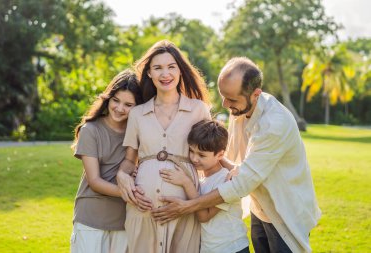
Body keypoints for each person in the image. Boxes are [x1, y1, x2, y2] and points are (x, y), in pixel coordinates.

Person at [151, 57, 322, 253]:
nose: (225, 104)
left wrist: (187, 206)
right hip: (261, 207)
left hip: (286, 210)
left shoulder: (274, 124)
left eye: (231, 99)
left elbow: (242, 184)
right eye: (223, 95)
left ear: (256, 94)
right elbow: (233, 163)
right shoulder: (239, 110)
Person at [116, 40, 211, 253]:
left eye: (171, 67)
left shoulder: (198, 110)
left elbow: (212, 153)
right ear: (149, 73)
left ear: (180, 70)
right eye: (157, 68)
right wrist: (121, 176)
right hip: (143, 207)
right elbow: (130, 160)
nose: (165, 74)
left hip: (183, 205)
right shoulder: (137, 114)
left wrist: (231, 168)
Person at [70, 69, 143, 253]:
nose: (119, 108)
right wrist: (130, 194)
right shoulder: (91, 130)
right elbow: (94, 181)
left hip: (122, 219)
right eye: (116, 100)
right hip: (90, 218)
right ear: (108, 98)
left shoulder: (137, 132)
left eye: (128, 104)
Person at [159, 119, 250, 253]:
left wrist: (186, 183)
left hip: (231, 248)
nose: (194, 158)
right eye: (191, 151)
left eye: (201, 155)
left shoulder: (226, 179)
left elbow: (204, 216)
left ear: (220, 154)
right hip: (211, 248)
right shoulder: (202, 179)